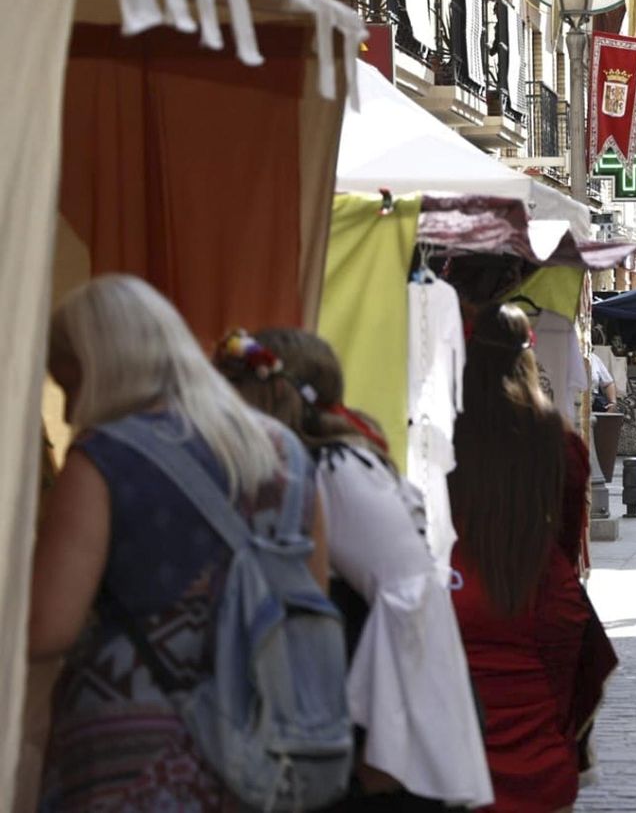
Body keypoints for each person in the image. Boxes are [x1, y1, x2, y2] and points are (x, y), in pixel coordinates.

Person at [30, 275, 331, 811]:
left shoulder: (104, 456)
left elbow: (48, 628)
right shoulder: (285, 452)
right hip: (259, 756)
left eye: (71, 384)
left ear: (101, 368)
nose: (73, 411)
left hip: (129, 760)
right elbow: (311, 593)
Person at [218, 327, 494, 810]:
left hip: (375, 723)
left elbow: (410, 596)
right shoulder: (305, 465)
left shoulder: (336, 469)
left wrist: (384, 748)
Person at [451, 303, 617, 812]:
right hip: (539, 594)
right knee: (546, 725)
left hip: (459, 594)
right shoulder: (557, 438)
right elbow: (571, 537)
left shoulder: (441, 433)